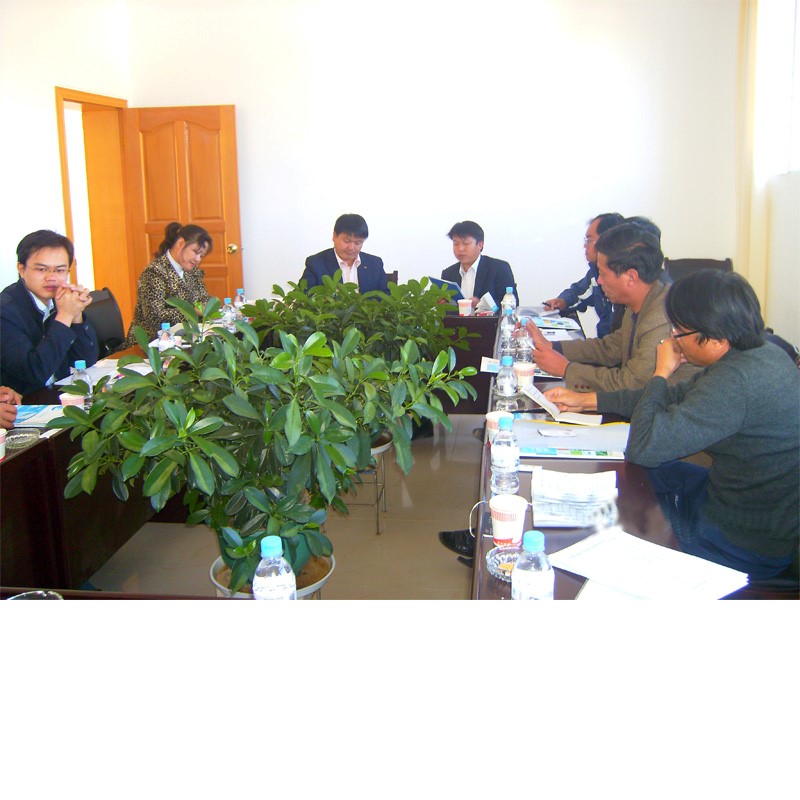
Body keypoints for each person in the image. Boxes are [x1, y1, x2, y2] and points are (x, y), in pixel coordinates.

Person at [544, 270, 799, 580]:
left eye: (679, 330)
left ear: (715, 338)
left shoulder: (736, 383)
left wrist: (661, 372)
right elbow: (675, 396)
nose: (672, 338)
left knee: (622, 512)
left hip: (740, 541)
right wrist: (588, 401)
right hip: (736, 501)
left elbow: (643, 448)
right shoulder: (761, 352)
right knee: (629, 479)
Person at [526, 221, 700, 392]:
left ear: (630, 277)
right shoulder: (641, 300)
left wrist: (566, 369)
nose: (599, 281)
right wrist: (552, 347)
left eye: (602, 274)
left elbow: (632, 385)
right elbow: (610, 347)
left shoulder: (662, 318)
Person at [0, 230, 98, 395]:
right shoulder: (5, 311)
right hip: (25, 403)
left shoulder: (60, 300)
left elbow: (85, 360)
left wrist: (76, 315)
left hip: (59, 394)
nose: (51, 277)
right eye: (41, 269)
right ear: (21, 269)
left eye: (60, 270)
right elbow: (35, 372)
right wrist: (64, 316)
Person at [123, 222, 212, 345]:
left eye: (201, 256)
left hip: (183, 338)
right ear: (180, 243)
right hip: (151, 343)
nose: (198, 259)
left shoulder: (191, 271)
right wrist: (192, 311)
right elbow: (154, 317)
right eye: (196, 252)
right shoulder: (155, 272)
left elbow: (205, 300)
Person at [542, 212, 624, 337]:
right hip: (605, 344)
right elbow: (578, 292)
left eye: (589, 240)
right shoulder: (595, 274)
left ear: (608, 242)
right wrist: (562, 301)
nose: (585, 246)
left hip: (612, 346)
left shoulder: (622, 280)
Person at [300, 214, 389, 293]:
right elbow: (302, 296)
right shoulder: (316, 264)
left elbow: (386, 297)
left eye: (357, 243)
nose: (351, 247)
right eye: (347, 241)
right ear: (334, 236)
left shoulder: (375, 264)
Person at [441, 221, 517, 311]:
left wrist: (481, 305)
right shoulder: (448, 274)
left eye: (466, 243)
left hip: (489, 320)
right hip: (457, 321)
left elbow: (512, 306)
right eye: (456, 244)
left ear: (480, 244)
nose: (460, 249)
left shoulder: (499, 268)